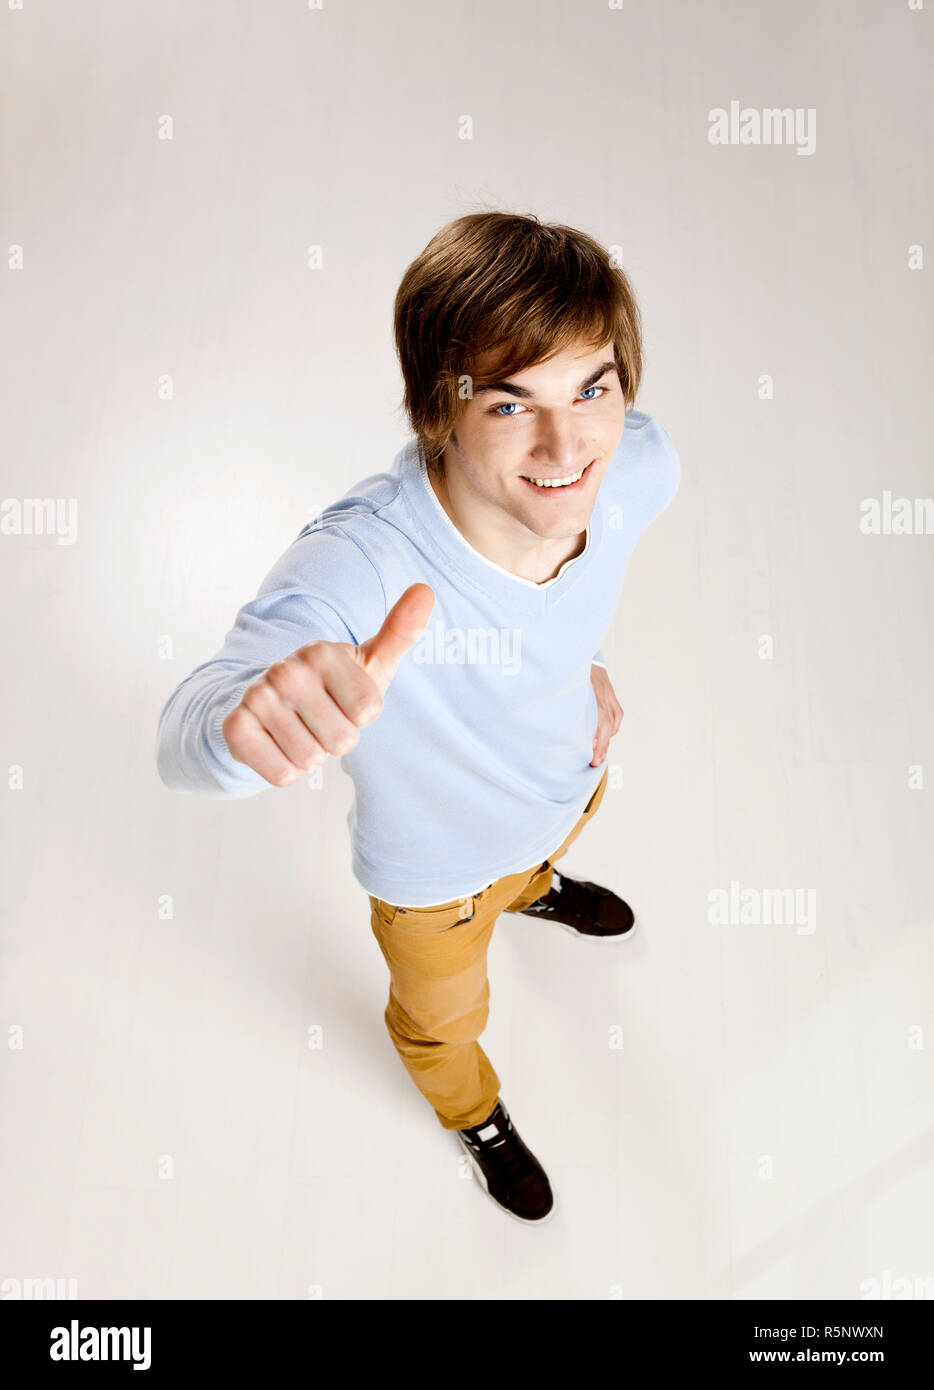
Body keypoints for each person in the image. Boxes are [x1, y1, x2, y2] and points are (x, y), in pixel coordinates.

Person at [156, 210, 681, 1226]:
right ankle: (473, 1112)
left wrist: (589, 663)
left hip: (566, 780)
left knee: (538, 857)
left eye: (591, 388)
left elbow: (572, 574)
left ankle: (535, 887)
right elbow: (192, 723)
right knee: (442, 1021)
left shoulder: (638, 468)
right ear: (434, 410)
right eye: (507, 404)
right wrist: (241, 728)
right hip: (433, 883)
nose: (567, 447)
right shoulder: (362, 563)